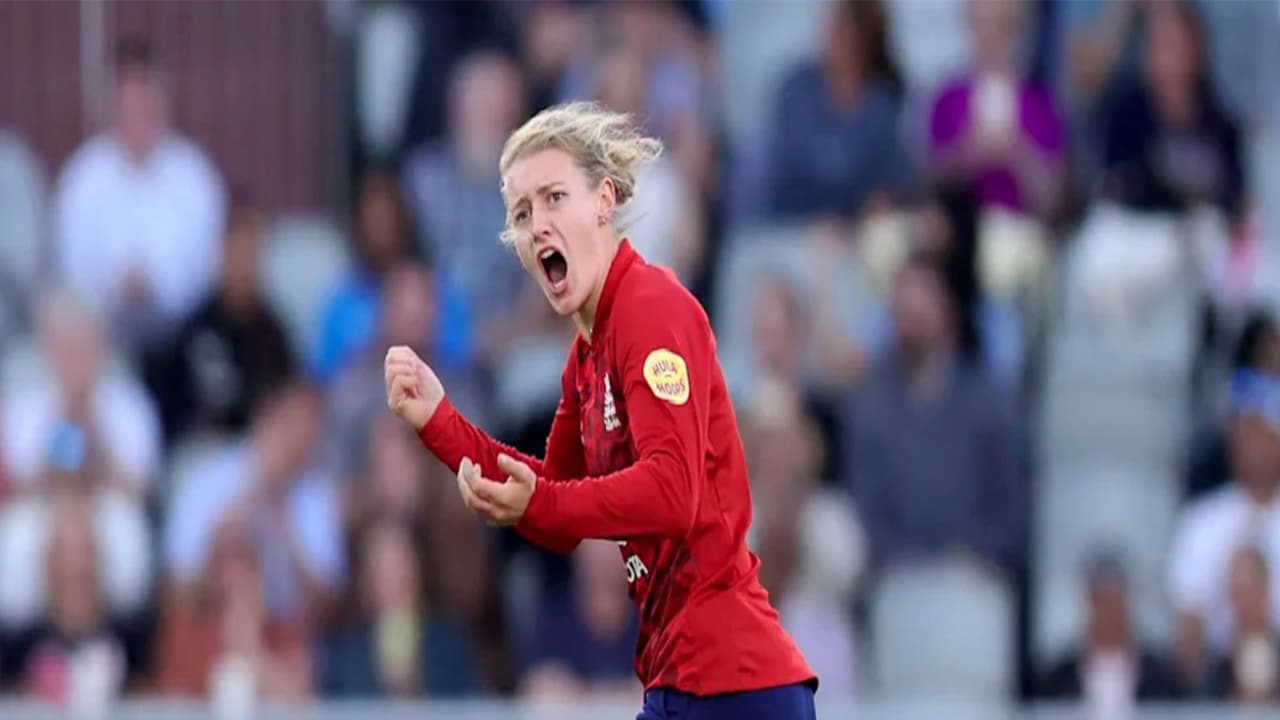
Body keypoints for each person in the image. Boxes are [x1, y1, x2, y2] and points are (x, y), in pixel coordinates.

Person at [384, 101, 817, 719]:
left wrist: (542, 502)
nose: (538, 226)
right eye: (522, 213)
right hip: (684, 680)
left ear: (604, 201)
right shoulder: (589, 356)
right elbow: (553, 501)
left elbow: (671, 491)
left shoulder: (651, 308)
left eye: (554, 199)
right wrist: (439, 422)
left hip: (733, 686)